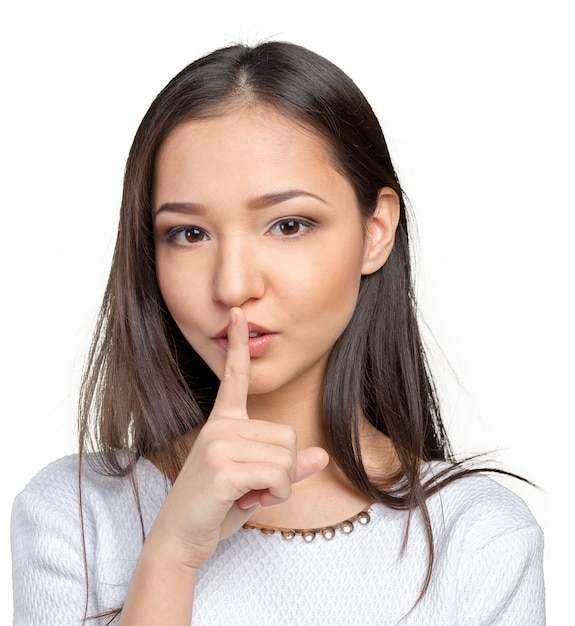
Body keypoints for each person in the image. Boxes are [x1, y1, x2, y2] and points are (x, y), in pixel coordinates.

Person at [11, 41, 545, 625]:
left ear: (375, 231)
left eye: (288, 225)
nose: (233, 284)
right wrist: (170, 558)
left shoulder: (478, 539)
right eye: (188, 234)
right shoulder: (75, 518)